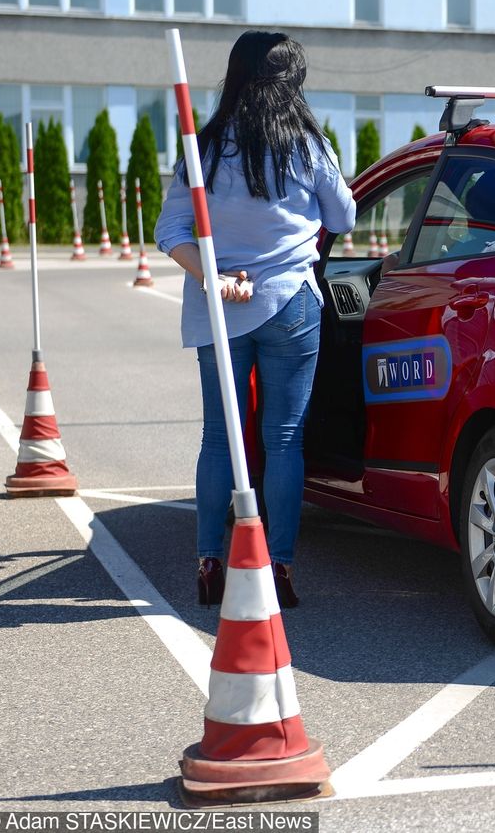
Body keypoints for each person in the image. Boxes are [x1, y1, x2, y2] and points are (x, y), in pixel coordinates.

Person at [156, 31, 355, 608]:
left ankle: (209, 562)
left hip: (219, 305)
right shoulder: (308, 148)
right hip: (291, 301)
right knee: (284, 439)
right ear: (292, 83)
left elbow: (170, 232)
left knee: (219, 438)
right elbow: (343, 215)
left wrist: (213, 276)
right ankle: (283, 568)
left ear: (235, 76)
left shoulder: (204, 149)